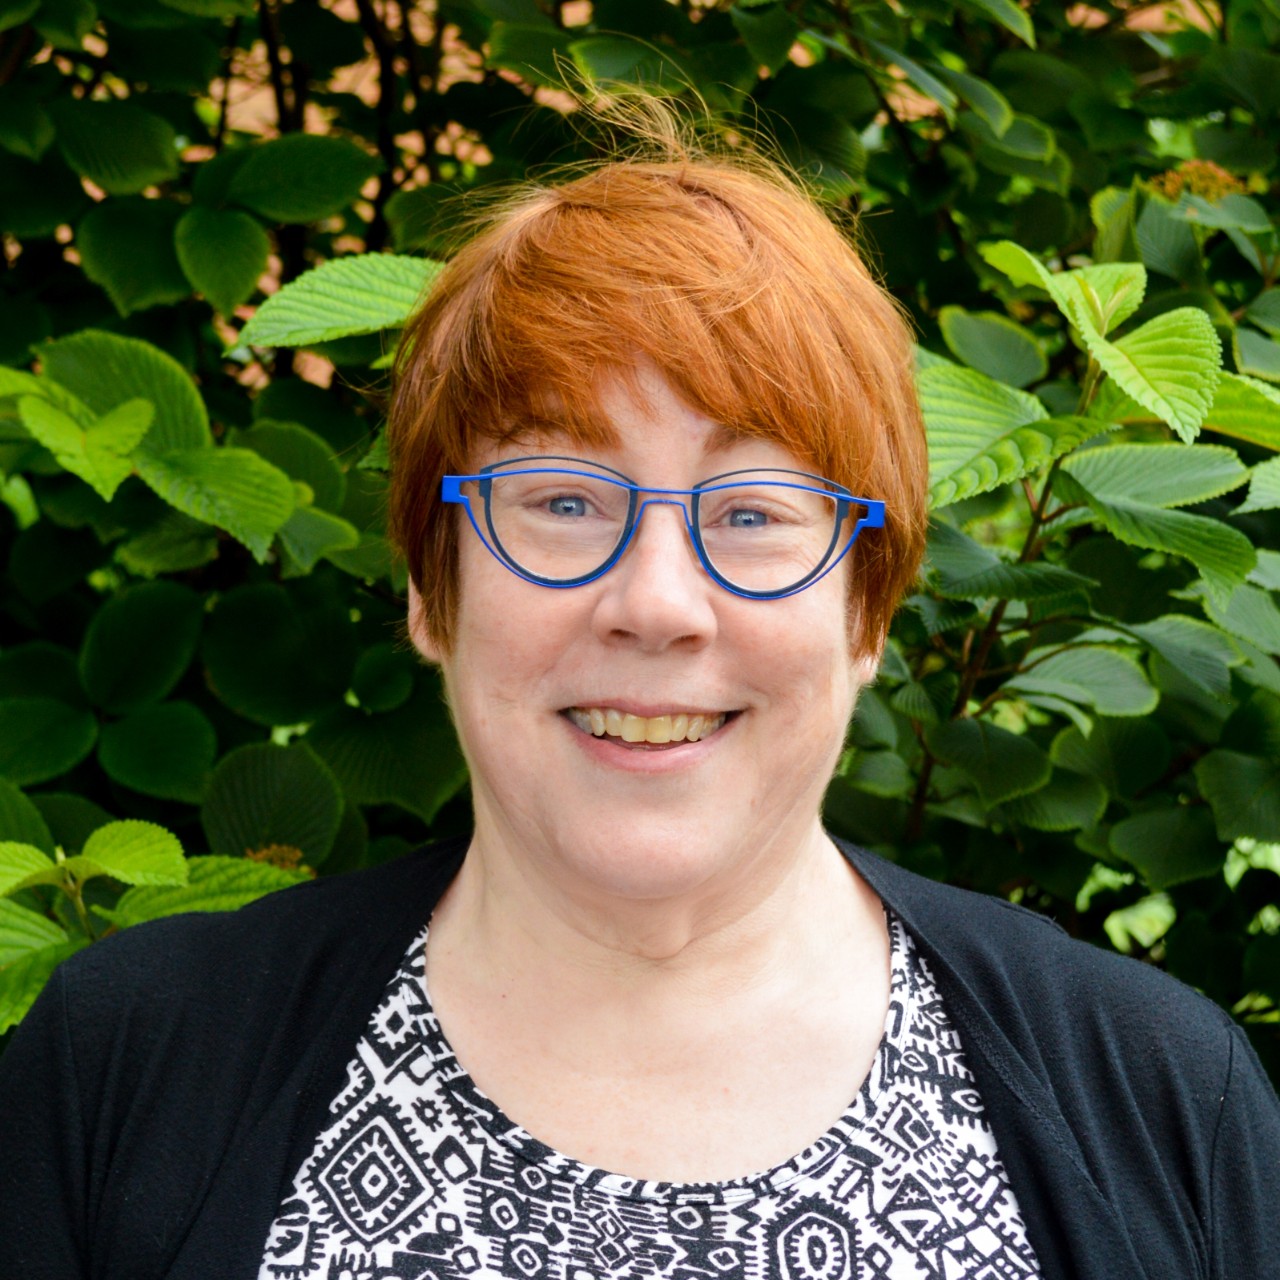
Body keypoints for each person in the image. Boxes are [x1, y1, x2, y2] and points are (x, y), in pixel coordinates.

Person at [2, 128, 1278, 1280]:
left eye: (753, 512)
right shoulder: (126, 1065)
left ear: (868, 610)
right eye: (562, 499)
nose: (656, 602)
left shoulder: (1160, 1095)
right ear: (431, 587)